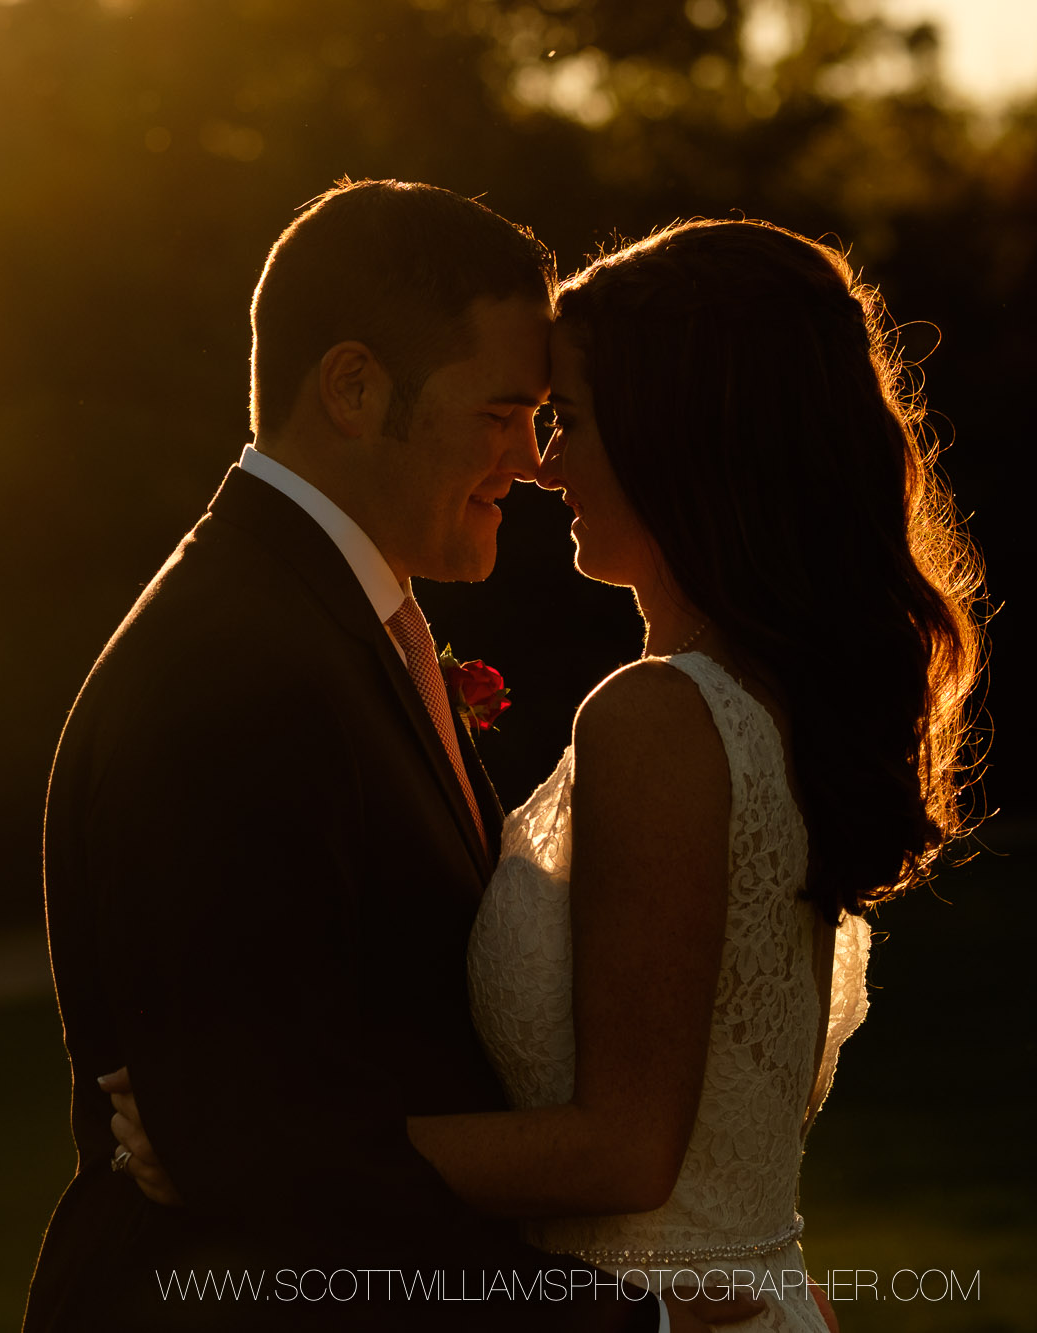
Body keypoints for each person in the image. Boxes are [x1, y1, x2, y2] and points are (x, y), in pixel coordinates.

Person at [99, 218, 987, 1333]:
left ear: (679, 437)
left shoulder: (660, 717)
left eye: (566, 418)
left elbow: (619, 1148)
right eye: (524, 418)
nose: (538, 460)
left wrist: (244, 1149)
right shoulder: (762, 701)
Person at [26, 179, 702, 1332]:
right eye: (499, 413)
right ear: (353, 388)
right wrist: (623, 1320)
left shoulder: (319, 620)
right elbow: (263, 1160)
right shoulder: (228, 674)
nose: (529, 461)